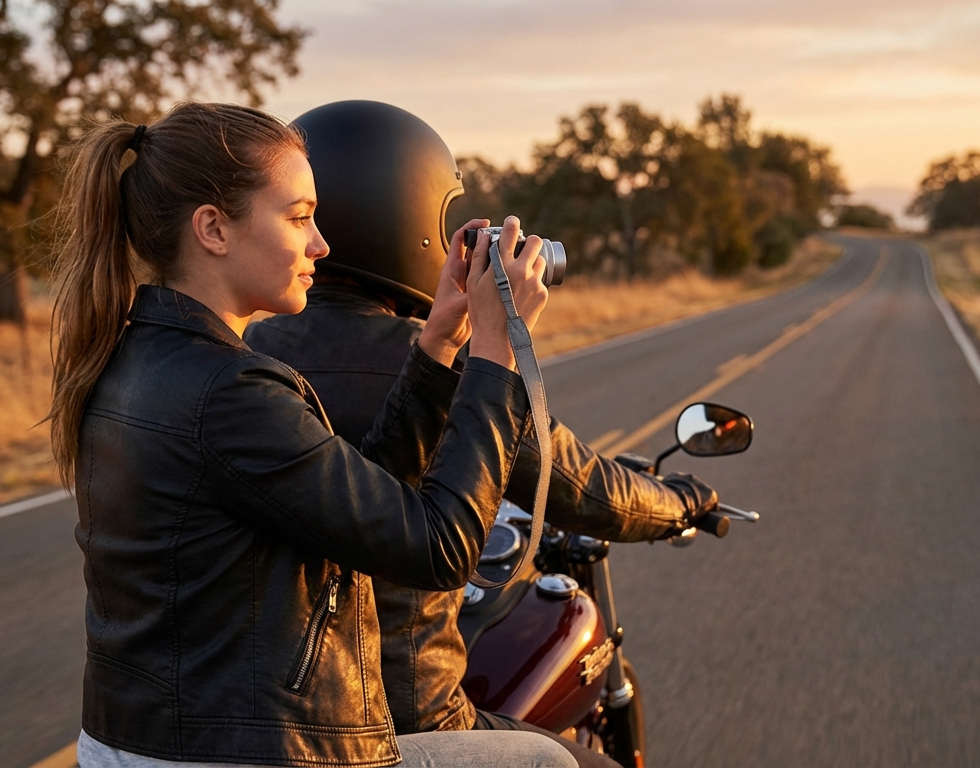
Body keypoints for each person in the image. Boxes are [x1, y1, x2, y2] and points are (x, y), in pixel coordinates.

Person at [47, 101, 576, 768]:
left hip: (138, 743)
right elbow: (441, 548)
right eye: (299, 217)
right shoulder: (230, 394)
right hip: (248, 752)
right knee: (544, 761)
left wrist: (442, 343)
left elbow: (357, 508)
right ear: (212, 228)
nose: (321, 245)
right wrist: (497, 354)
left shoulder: (138, 360)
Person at [244, 101, 720, 767]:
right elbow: (584, 488)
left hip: (263, 710)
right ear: (405, 215)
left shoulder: (243, 355)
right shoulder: (440, 371)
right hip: (407, 710)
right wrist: (680, 502)